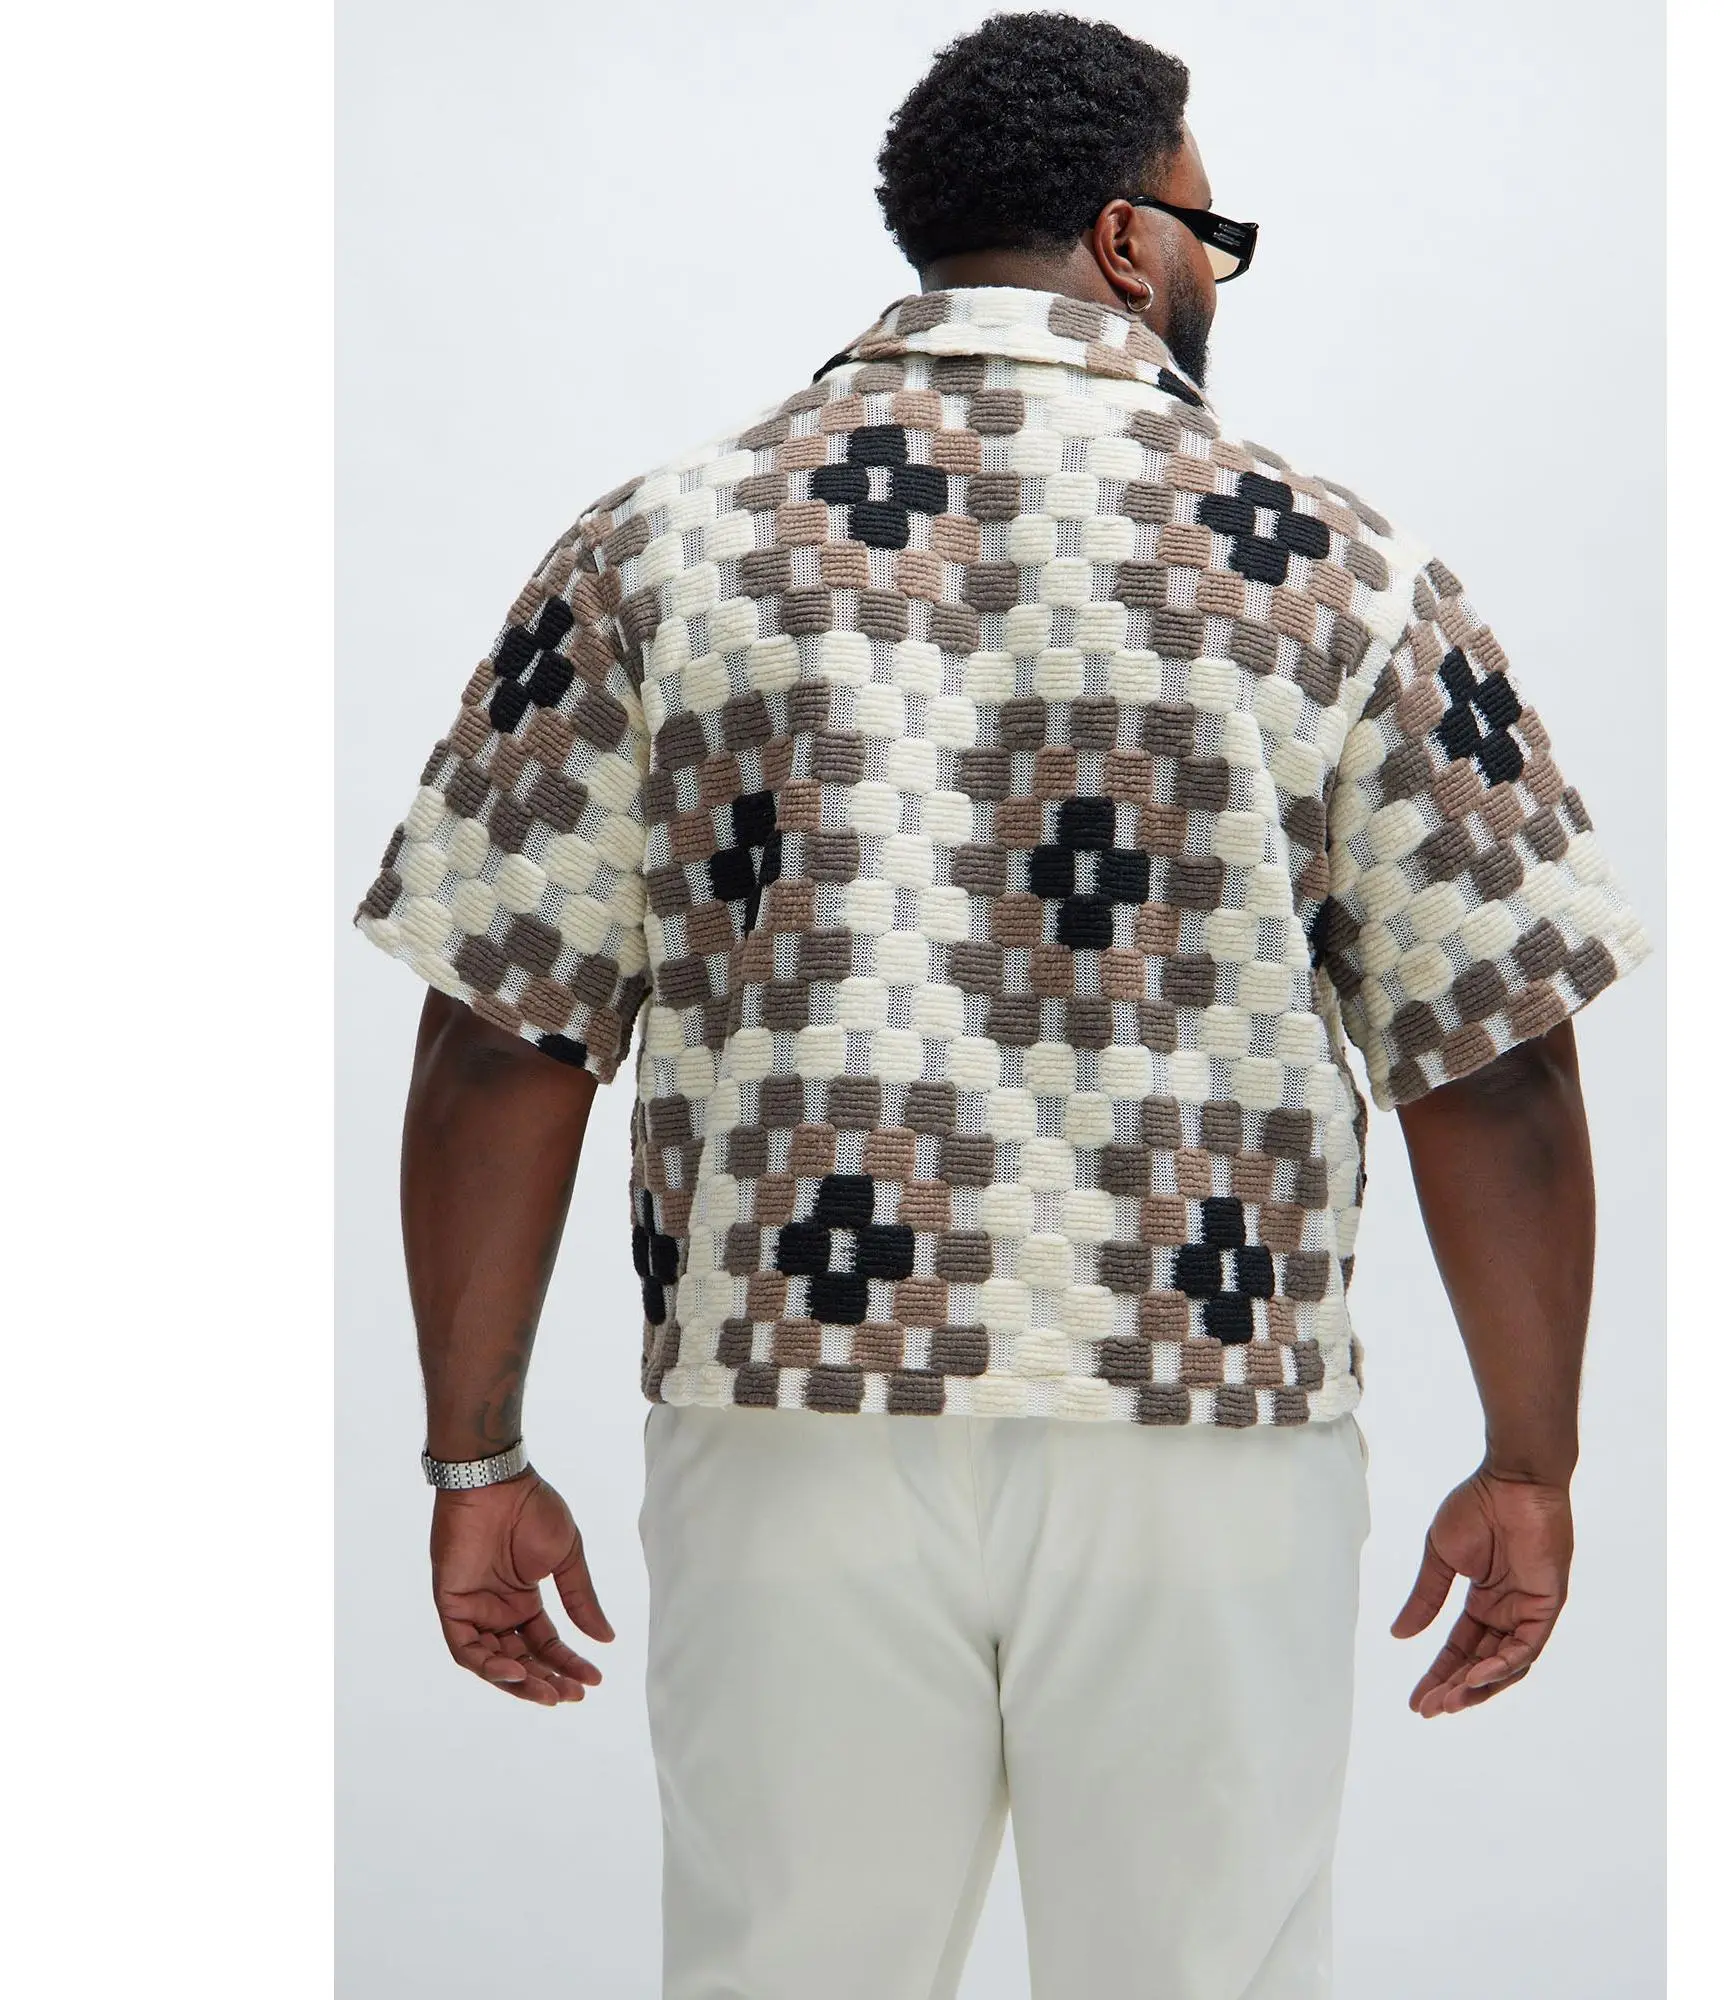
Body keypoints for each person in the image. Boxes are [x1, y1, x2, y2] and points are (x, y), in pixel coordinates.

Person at [351, 11, 1654, 1995]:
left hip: (786, 1399)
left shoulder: (660, 547)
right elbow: (1499, 1058)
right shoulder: (1337, 570)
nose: (1213, 273)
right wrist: (1530, 1459)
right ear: (1128, 239)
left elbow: (497, 1031)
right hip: (1206, 1403)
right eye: (1211, 232)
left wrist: (476, 1460)